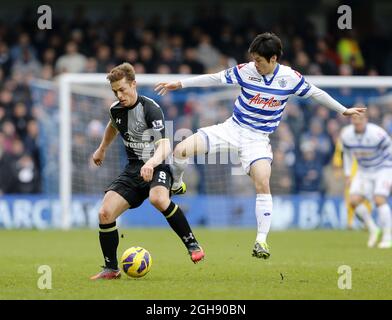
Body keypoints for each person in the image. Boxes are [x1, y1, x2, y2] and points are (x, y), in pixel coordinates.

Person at [155, 32, 366, 259]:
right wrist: (180, 83)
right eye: (253, 59)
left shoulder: (289, 78)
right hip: (232, 129)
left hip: (258, 139)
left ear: (273, 59)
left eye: (259, 61)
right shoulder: (246, 70)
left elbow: (316, 93)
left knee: (263, 182)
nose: (255, 64)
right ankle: (176, 183)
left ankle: (261, 241)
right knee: (180, 150)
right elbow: (216, 78)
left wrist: (343, 109)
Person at [90, 63, 204, 280]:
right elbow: (112, 125)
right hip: (133, 169)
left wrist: (151, 163)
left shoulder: (150, 108)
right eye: (115, 91)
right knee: (104, 214)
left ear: (134, 84)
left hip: (158, 164)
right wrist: (102, 149)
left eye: (122, 89)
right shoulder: (115, 109)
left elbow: (165, 146)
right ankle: (111, 269)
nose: (119, 94)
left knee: (158, 199)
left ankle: (192, 243)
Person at [341, 113, 392, 248]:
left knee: (379, 200)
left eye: (360, 119)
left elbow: (390, 149)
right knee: (353, 201)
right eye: (355, 119)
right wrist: (347, 174)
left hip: (382, 168)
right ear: (351, 120)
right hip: (364, 171)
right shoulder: (347, 136)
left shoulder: (377, 133)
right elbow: (347, 155)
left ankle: (387, 236)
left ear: (366, 120)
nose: (357, 122)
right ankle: (373, 229)